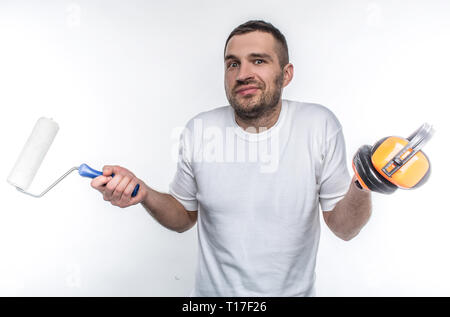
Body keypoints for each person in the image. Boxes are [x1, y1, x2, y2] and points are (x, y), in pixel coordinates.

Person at [91, 20, 372, 296]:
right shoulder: (199, 130)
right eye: (233, 64)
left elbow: (344, 228)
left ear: (286, 74)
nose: (242, 74)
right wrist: (144, 194)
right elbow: (184, 217)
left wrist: (364, 182)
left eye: (258, 61)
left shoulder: (319, 125)